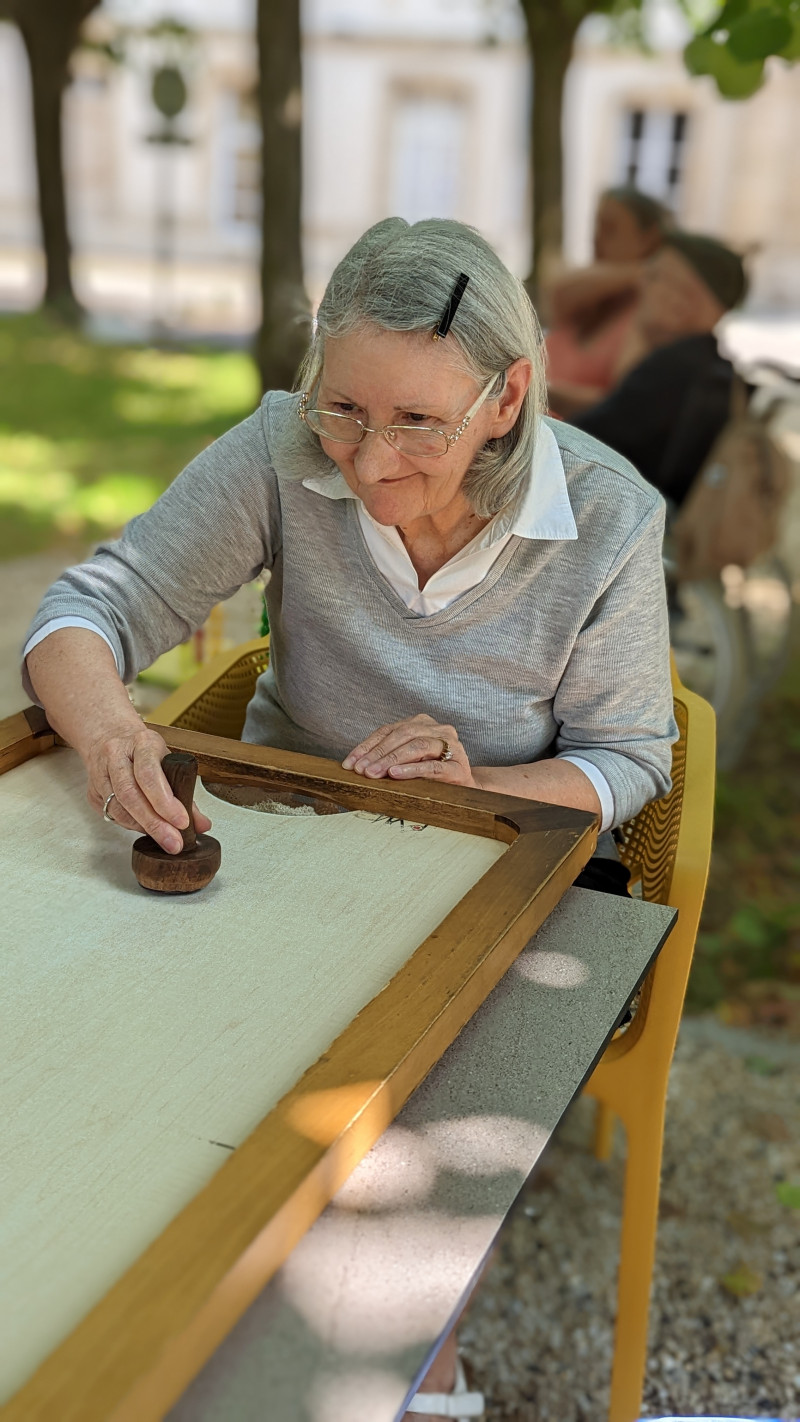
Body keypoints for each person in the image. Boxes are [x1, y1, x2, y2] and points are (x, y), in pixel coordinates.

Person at [23, 216, 677, 1420]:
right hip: (281, 834)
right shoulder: (282, 449)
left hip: (495, 867)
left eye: (417, 421)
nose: (369, 462)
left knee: (420, 1132)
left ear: (506, 394)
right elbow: (88, 609)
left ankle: (415, 1364)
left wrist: (474, 783)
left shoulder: (606, 515)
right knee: (123, 1071)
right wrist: (109, 724)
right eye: (342, 409)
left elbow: (628, 757)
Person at [575, 231, 747, 505]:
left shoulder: (673, 368)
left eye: (654, 276)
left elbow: (575, 443)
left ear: (684, 300)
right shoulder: (702, 363)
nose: (641, 283)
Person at [545, 187, 668, 419]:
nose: (596, 239)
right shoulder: (590, 295)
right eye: (597, 226)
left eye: (611, 229)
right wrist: (643, 271)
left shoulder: (645, 314)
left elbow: (620, 406)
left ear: (647, 239)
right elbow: (558, 291)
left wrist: (538, 391)